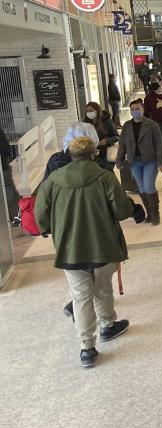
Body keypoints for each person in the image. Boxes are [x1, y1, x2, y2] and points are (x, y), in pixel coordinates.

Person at [34, 137, 136, 368]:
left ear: (70, 154)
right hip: (104, 244)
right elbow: (120, 209)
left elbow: (41, 212)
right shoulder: (105, 177)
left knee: (80, 296)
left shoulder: (54, 179)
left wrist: (49, 228)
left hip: (70, 249)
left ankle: (87, 348)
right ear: (93, 154)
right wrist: (133, 210)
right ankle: (108, 326)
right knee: (101, 287)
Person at [116, 98, 162, 226]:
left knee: (149, 185)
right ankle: (149, 213)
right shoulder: (127, 126)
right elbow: (122, 144)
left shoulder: (151, 125)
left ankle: (155, 214)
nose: (135, 111)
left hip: (150, 160)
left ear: (143, 109)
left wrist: (161, 161)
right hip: (134, 161)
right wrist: (120, 159)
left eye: (137, 109)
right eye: (132, 110)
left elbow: (159, 143)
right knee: (141, 187)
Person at [82, 102, 119, 170]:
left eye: (91, 110)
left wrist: (106, 140)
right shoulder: (85, 124)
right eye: (87, 111)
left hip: (105, 153)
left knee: (107, 172)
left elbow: (117, 137)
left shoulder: (107, 122)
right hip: (91, 154)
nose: (89, 113)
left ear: (97, 111)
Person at [1, 127, 18, 222]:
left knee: (9, 195)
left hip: (3, 170)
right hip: (4, 169)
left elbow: (7, 151)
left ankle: (17, 218)